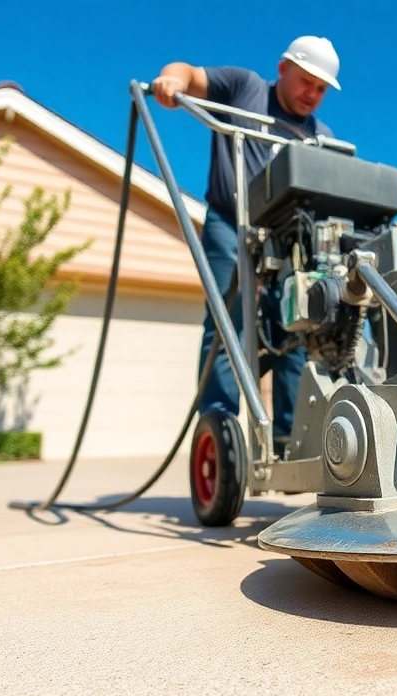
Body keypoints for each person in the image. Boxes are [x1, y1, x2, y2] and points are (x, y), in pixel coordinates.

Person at [152, 36, 342, 455]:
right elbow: (187, 71)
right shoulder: (245, 88)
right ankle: (220, 430)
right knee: (228, 323)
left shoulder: (320, 137)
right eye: (306, 81)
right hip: (230, 221)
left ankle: (292, 441)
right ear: (283, 69)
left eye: (321, 89)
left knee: (300, 324)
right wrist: (171, 79)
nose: (312, 94)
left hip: (290, 240)